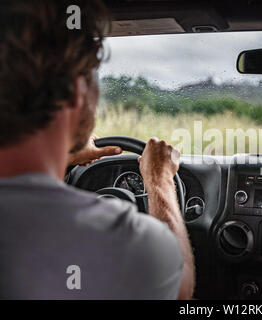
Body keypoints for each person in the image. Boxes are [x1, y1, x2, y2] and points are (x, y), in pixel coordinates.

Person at [0, 0, 194, 299]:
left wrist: (61, 158)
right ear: (76, 92)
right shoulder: (124, 243)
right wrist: (159, 180)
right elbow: (180, 288)